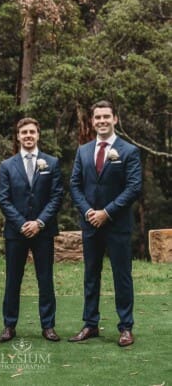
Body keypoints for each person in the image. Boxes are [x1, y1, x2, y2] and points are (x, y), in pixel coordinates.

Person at [69, 100, 142, 347]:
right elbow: (75, 185)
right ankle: (90, 324)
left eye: (106, 117)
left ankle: (126, 327)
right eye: (97, 117)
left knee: (122, 276)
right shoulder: (83, 151)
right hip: (90, 224)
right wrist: (89, 211)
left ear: (115, 120)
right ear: (92, 121)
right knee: (91, 275)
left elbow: (133, 187)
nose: (101, 121)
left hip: (117, 224)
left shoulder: (128, 151)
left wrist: (107, 212)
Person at [0, 117, 64, 343]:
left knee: (45, 279)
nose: (28, 136)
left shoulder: (51, 163)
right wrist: (21, 223)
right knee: (13, 280)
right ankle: (9, 325)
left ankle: (48, 326)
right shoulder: (7, 165)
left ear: (38, 135)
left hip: (43, 231)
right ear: (18, 136)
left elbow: (56, 197)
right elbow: (4, 199)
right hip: (16, 233)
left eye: (32, 132)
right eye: (23, 132)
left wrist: (39, 222)